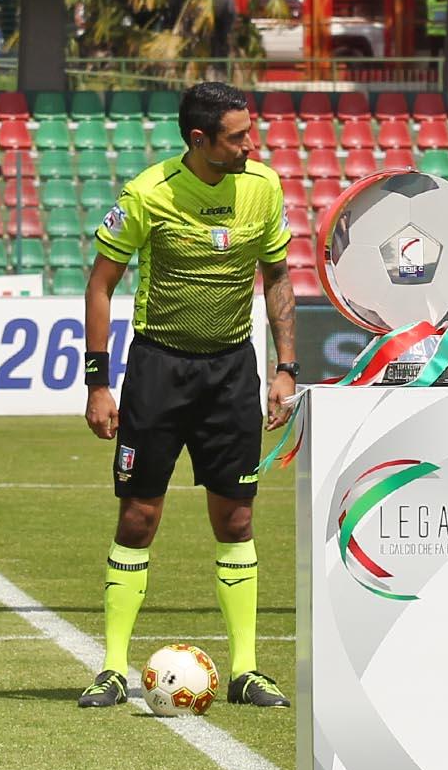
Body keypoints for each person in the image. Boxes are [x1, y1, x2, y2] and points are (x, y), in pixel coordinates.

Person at [77, 81, 298, 710]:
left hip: (231, 373)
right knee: (138, 517)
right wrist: (97, 382)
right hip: (158, 371)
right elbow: (101, 285)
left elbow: (277, 276)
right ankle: (112, 668)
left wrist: (286, 366)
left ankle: (246, 669)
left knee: (237, 518)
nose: (251, 145)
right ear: (200, 140)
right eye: (238, 136)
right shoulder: (148, 194)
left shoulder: (264, 187)